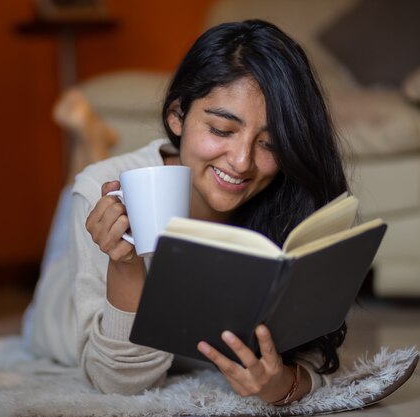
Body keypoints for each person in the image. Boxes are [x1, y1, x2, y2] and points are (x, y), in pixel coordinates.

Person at [22, 19, 349, 406]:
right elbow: (119, 384)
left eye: (271, 144)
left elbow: (318, 362)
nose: (243, 162)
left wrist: (282, 385)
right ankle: (93, 145)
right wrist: (126, 264)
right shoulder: (105, 190)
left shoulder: (287, 194)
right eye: (222, 130)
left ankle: (97, 146)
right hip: (60, 306)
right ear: (177, 115)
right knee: (87, 188)